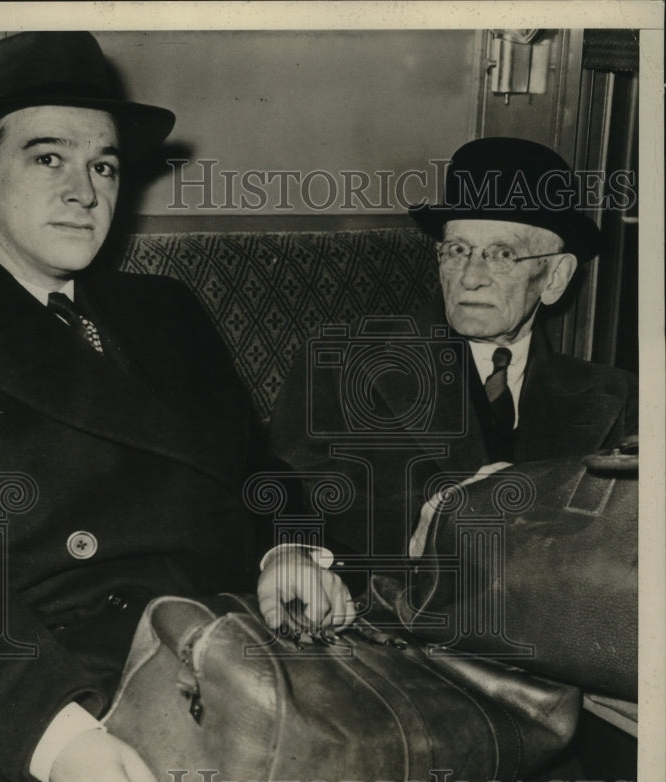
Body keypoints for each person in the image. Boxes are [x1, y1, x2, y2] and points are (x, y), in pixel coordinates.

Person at [0, 31, 498, 782]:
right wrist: (58, 742)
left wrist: (287, 549)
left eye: (105, 165)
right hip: (67, 698)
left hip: (232, 665)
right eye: (48, 158)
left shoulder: (165, 314)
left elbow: (262, 473)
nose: (85, 190)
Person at [261, 137, 637, 634]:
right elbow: (288, 507)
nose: (471, 277)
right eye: (457, 249)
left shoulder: (619, 397)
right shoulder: (343, 361)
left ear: (555, 277)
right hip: (398, 633)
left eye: (503, 254)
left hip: (559, 643)